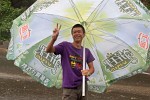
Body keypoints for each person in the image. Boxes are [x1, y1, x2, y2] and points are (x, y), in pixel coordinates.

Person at [46, 23, 95, 100]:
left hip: (83, 86)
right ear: (72, 35)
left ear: (83, 34)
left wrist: (88, 72)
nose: (77, 34)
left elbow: (92, 68)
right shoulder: (65, 46)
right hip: (70, 87)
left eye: (79, 32)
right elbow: (48, 50)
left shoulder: (86, 51)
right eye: (74, 32)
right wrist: (53, 39)